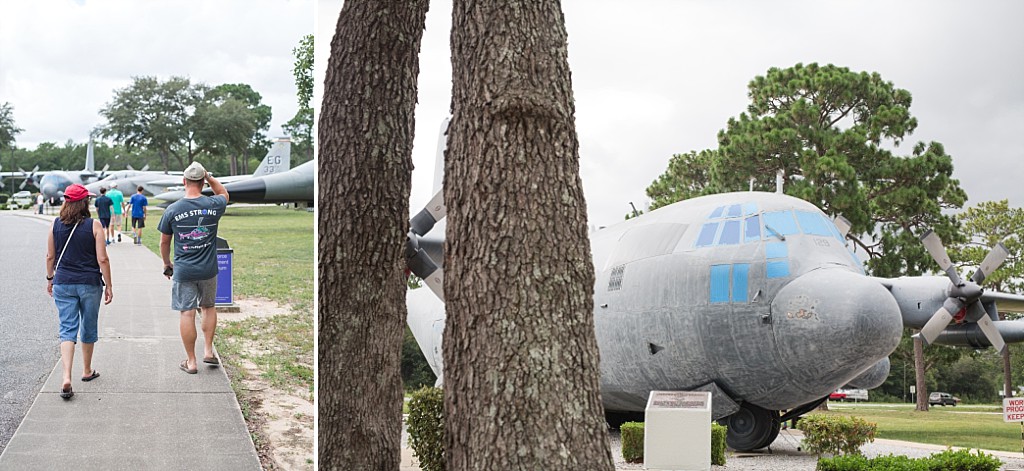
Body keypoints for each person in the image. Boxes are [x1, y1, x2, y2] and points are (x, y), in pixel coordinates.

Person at [158, 162, 228, 375]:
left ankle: (191, 361)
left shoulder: (173, 209)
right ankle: (208, 350)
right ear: (202, 181)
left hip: (184, 270)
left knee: (187, 313)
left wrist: (166, 263)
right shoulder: (214, 204)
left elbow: (164, 242)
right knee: (208, 307)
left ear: (184, 181)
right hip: (208, 269)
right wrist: (210, 177)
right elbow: (224, 193)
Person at [45, 184, 113, 400]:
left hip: (63, 282)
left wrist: (49, 279)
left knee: (67, 328)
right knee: (88, 325)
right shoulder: (94, 226)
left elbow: (49, 256)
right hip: (89, 283)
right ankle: (86, 370)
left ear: (66, 202)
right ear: (84, 202)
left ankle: (66, 376)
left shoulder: (55, 225)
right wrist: (109, 285)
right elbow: (102, 259)